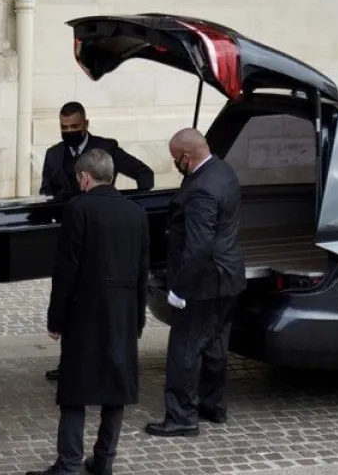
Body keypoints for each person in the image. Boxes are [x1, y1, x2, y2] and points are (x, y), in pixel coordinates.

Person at [26, 150, 149, 475]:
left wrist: (56, 319)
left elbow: (67, 269)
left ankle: (69, 462)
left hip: (86, 313)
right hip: (122, 314)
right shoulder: (136, 213)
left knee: (74, 389)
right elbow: (141, 271)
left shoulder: (78, 208)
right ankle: (104, 460)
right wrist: (138, 319)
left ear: (84, 177)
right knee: (115, 390)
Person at [40, 101, 154, 382]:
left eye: (74, 127)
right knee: (73, 291)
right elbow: (46, 192)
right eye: (64, 128)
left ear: (86, 125)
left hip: (106, 232)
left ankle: (106, 360)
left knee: (104, 294)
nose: (69, 132)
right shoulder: (54, 155)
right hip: (74, 230)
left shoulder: (107, 148)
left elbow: (145, 174)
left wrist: (125, 207)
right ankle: (71, 361)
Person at [145, 128, 245, 438]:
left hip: (204, 283)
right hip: (228, 278)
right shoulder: (223, 170)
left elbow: (199, 246)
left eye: (176, 159)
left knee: (184, 350)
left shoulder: (202, 189)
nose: (176, 164)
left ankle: (182, 417)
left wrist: (180, 290)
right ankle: (213, 405)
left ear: (187, 157)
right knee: (215, 345)